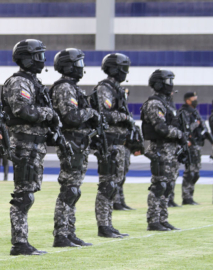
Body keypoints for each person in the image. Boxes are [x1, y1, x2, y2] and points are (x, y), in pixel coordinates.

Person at [2, 39, 61, 255]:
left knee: (28, 193)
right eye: (38, 56)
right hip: (23, 144)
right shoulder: (19, 82)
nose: (42, 60)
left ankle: (22, 241)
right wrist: (49, 114)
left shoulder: (33, 82)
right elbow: (23, 110)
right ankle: (19, 243)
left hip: (34, 145)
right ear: (27, 58)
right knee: (23, 195)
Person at [50, 48, 98, 247]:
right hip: (70, 143)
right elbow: (70, 117)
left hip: (78, 143)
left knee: (74, 190)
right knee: (69, 190)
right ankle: (61, 234)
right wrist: (90, 112)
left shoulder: (72, 87)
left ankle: (70, 232)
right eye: (78, 63)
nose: (81, 68)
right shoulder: (65, 88)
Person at [93, 53, 135, 238]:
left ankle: (109, 223)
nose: (125, 71)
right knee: (107, 185)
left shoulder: (117, 89)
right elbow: (105, 114)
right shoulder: (105, 88)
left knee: (114, 185)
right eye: (123, 67)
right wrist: (126, 118)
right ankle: (103, 226)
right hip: (108, 142)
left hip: (119, 143)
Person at [141, 69, 183, 231]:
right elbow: (161, 128)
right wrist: (179, 134)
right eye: (168, 81)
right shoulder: (154, 104)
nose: (170, 85)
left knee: (168, 186)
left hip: (171, 150)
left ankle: (163, 218)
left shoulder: (167, 104)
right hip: (160, 149)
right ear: (159, 83)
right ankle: (153, 220)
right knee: (159, 186)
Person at [179, 92, 212, 205]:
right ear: (187, 100)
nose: (196, 100)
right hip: (190, 146)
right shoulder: (184, 112)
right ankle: (186, 197)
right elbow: (184, 129)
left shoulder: (194, 112)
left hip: (197, 145)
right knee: (190, 173)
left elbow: (203, 128)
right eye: (194, 98)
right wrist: (195, 124)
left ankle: (190, 196)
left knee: (196, 173)